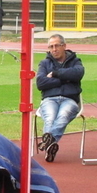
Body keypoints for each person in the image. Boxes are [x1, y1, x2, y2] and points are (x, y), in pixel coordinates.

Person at [36, 34, 85, 162]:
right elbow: (40, 83)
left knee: (63, 115)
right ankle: (50, 145)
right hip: (49, 99)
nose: (54, 49)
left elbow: (78, 73)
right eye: (51, 46)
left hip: (70, 99)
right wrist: (65, 80)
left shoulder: (75, 61)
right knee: (50, 118)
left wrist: (56, 74)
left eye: (57, 45)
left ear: (64, 46)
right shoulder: (44, 63)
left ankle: (48, 141)